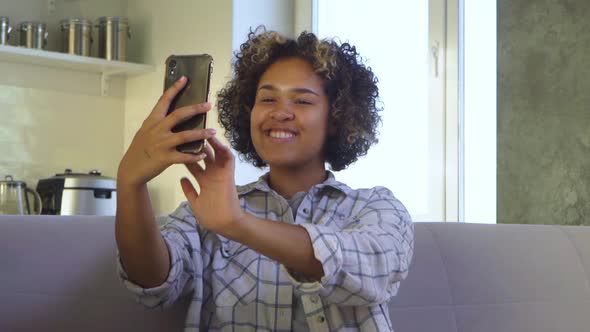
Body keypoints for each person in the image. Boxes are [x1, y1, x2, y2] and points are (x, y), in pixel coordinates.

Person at [115, 28, 414, 331]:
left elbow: (372, 270)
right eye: (268, 99)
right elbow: (153, 286)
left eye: (302, 101)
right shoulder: (207, 209)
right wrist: (129, 183)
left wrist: (239, 225)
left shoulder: (374, 207)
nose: (280, 112)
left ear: (336, 119)